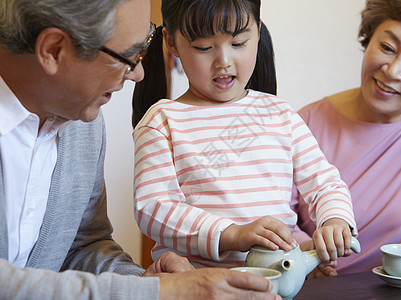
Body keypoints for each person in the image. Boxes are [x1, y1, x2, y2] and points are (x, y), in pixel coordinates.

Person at [0, 0, 283, 299]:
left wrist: (143, 280)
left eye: (145, 45)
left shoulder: (84, 126)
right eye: (127, 56)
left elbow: (83, 246)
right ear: (53, 50)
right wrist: (155, 293)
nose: (138, 74)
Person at [132, 0, 358, 270]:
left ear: (258, 32)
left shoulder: (279, 114)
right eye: (204, 47)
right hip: (198, 284)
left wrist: (335, 221)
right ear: (171, 42)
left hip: (278, 280)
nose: (223, 61)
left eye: (238, 43)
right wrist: (233, 235)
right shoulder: (162, 121)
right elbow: (155, 208)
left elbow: (325, 183)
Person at [293, 0, 401, 280]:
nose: (392, 70)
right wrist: (302, 251)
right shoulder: (305, 122)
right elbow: (277, 212)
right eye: (387, 48)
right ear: (370, 36)